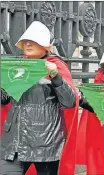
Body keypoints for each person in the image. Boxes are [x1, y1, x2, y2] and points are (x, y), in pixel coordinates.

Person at [0, 21, 77, 175]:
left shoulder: (56, 66)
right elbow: (4, 99)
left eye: (33, 41)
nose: (28, 44)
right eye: (25, 41)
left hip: (46, 143)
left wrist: (56, 77)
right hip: (15, 142)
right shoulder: (16, 68)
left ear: (45, 45)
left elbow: (69, 102)